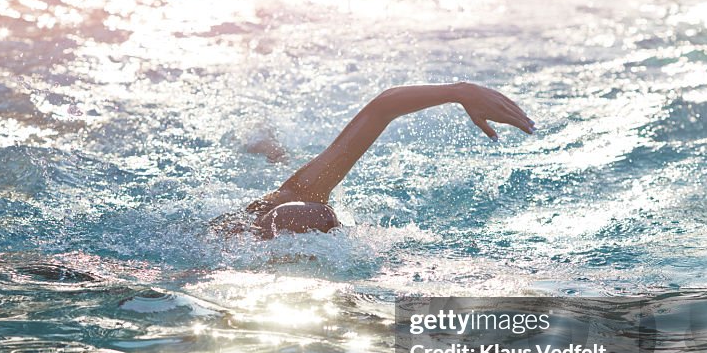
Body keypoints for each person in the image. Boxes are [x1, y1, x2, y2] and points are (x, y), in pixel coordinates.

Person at [214, 82, 535, 239]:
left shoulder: (305, 193)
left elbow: (382, 107)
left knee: (290, 166)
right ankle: (268, 147)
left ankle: (267, 145)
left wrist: (460, 91)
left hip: (293, 192)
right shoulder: (230, 251)